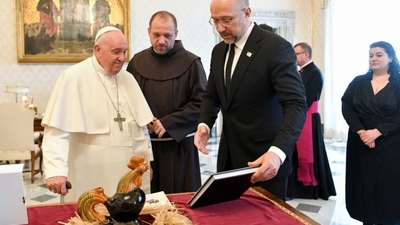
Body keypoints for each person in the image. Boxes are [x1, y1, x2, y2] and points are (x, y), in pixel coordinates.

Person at [194, 0, 308, 201]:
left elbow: (296, 104)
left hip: (264, 160)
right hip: (228, 159)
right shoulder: (219, 51)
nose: (220, 28)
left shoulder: (275, 47)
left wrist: (278, 152)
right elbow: (212, 95)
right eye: (215, 21)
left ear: (246, 13)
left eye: (227, 20)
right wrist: (204, 123)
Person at [41, 26, 154, 202]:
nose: (122, 58)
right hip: (89, 172)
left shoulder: (128, 79)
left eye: (124, 52)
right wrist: (55, 171)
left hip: (127, 175)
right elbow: (56, 132)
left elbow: (141, 130)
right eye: (116, 52)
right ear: (97, 50)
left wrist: (146, 165)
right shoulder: (73, 77)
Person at [126, 11, 207, 194]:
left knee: (179, 203)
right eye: (156, 35)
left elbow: (202, 103)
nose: (161, 41)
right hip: (145, 147)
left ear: (176, 34)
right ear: (149, 32)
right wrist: (142, 119)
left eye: (167, 35)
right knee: (145, 199)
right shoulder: (137, 62)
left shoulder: (192, 62)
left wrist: (168, 122)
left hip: (179, 148)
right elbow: (127, 100)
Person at [341, 41, 400, 224]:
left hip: (390, 143)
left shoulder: (398, 82)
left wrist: (379, 131)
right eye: (371, 55)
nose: (373, 58)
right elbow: (347, 107)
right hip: (361, 143)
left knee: (387, 185)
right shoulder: (359, 82)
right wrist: (361, 132)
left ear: (390, 57)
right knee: (362, 183)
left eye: (379, 55)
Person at [286, 42, 336, 200]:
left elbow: (304, 99)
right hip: (302, 115)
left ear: (306, 54)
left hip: (308, 118)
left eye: (297, 54)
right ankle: (296, 188)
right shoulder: (302, 71)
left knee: (310, 154)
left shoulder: (314, 72)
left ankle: (308, 189)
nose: (294, 57)